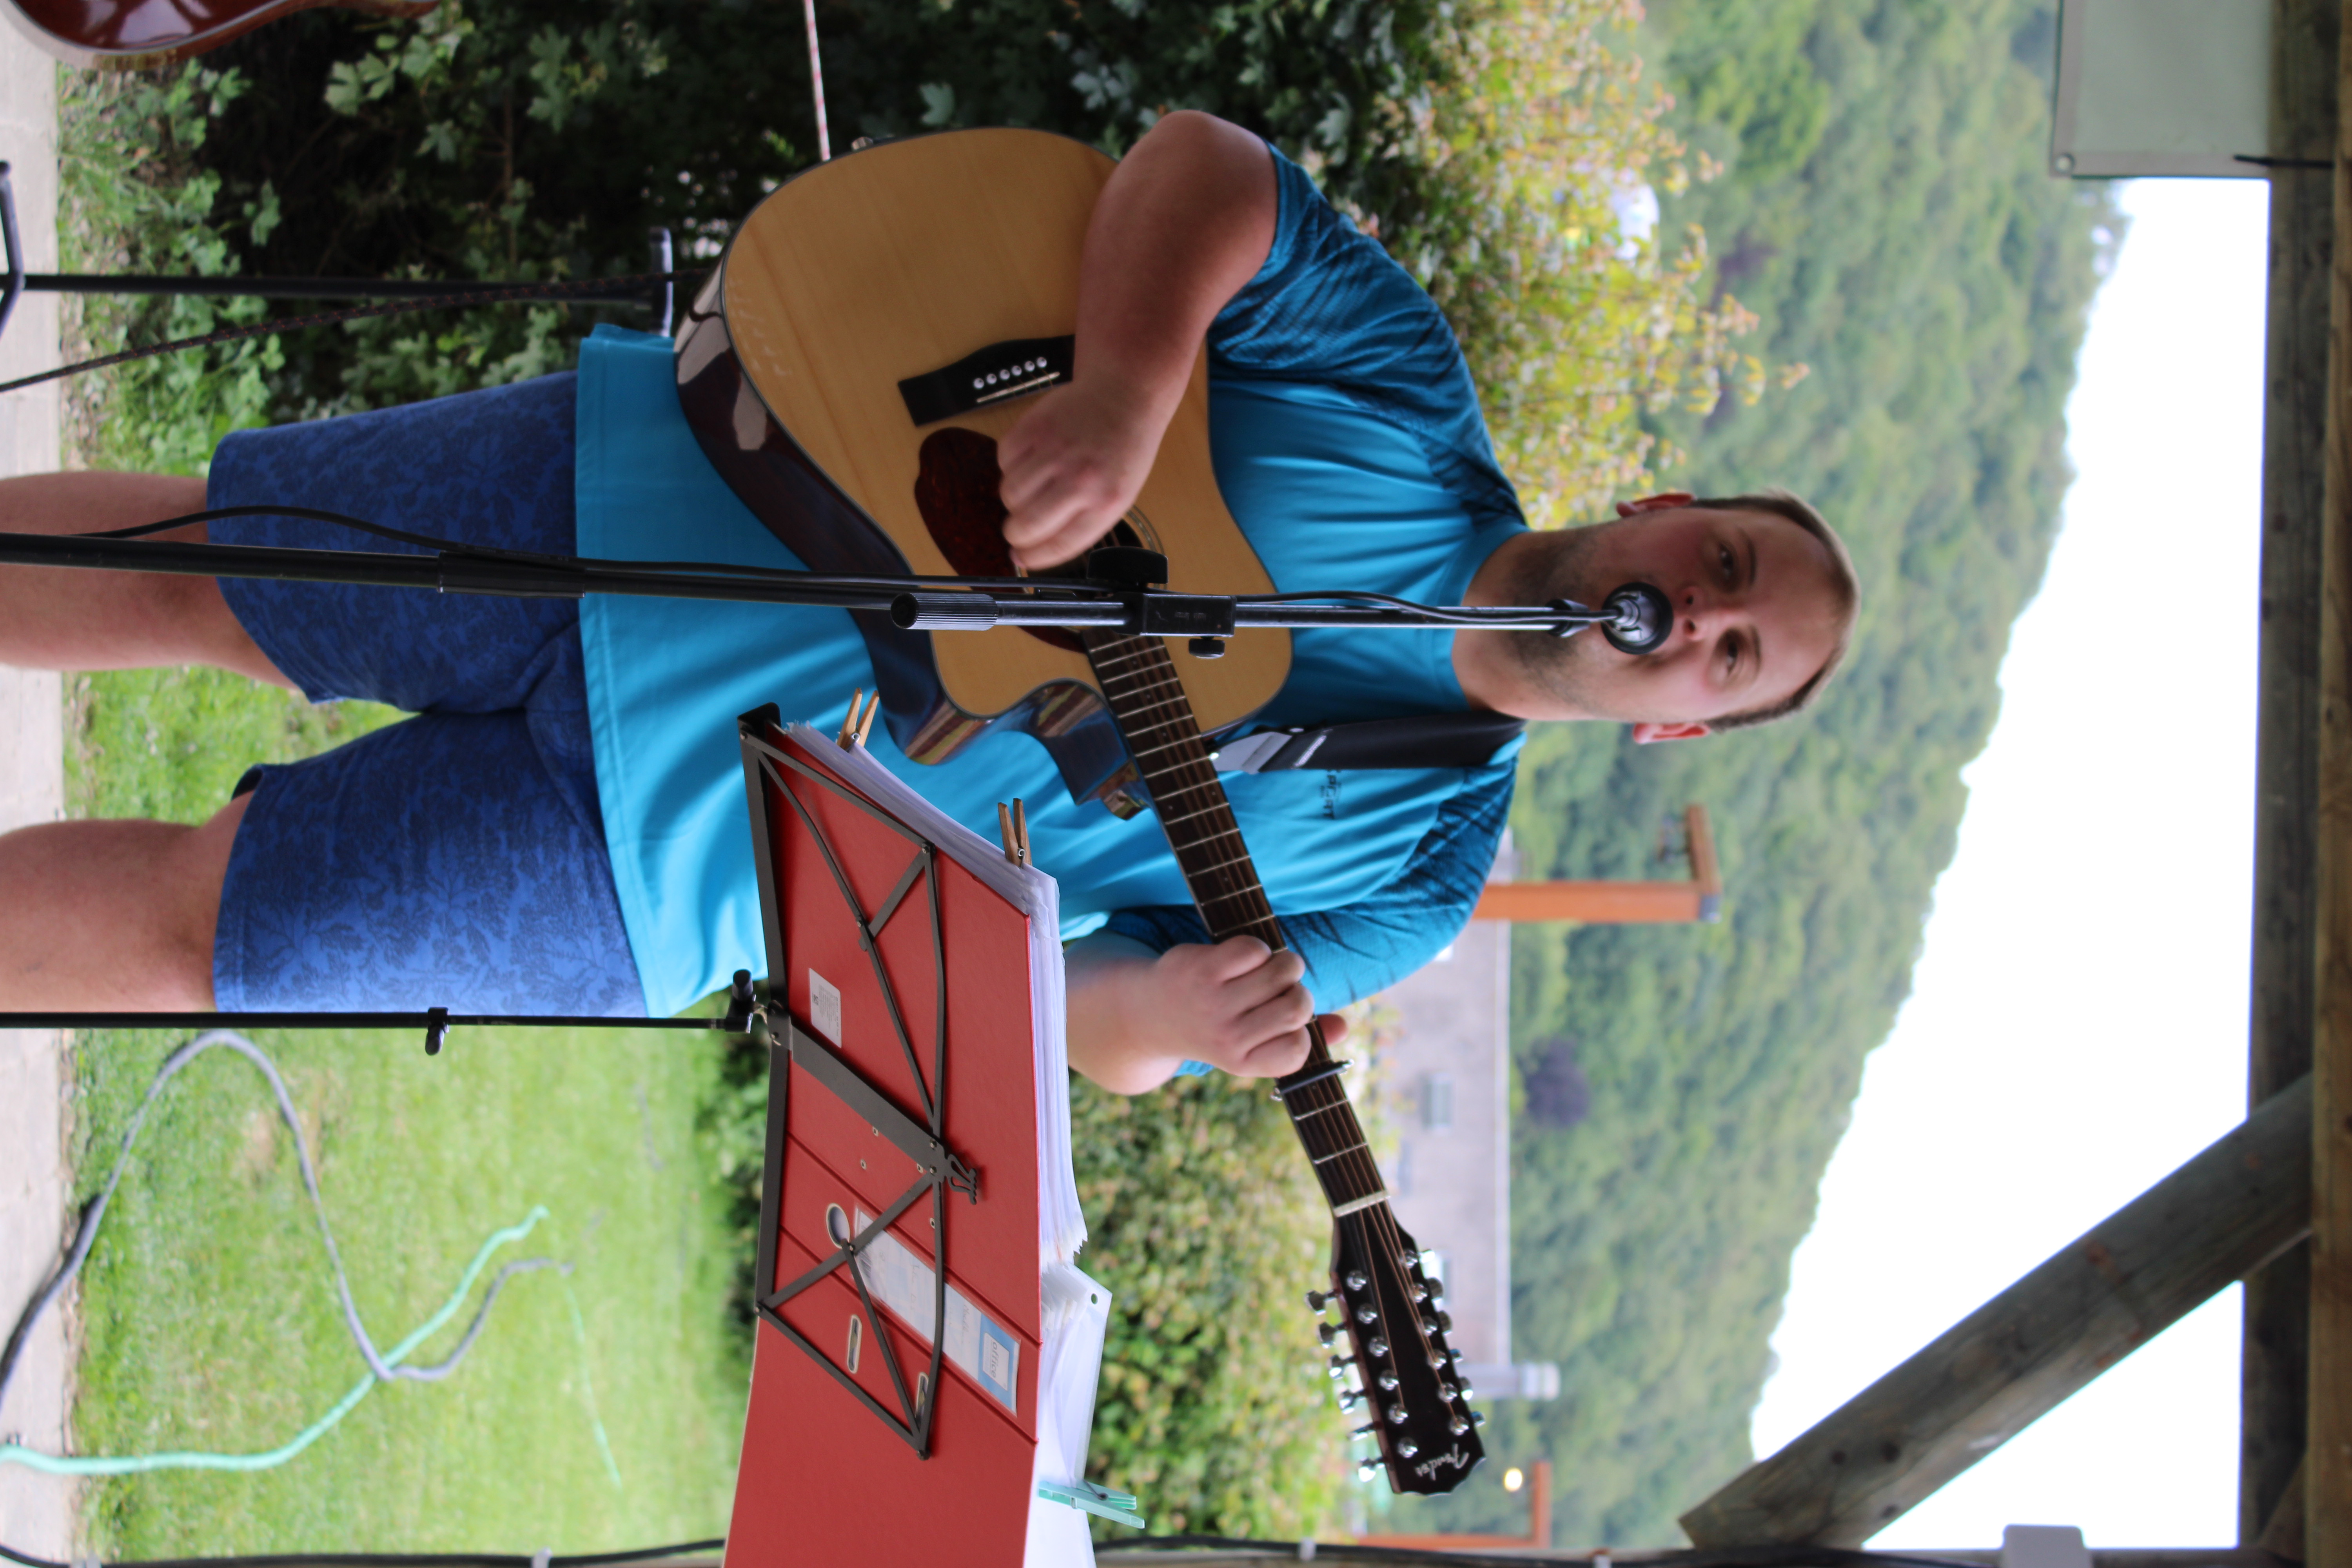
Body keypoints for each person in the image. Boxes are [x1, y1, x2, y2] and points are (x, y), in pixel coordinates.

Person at [0, 111, 1858, 1094]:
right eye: (1722, 567)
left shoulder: (1416, 877)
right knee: (190, 576)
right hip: (674, 478)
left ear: (1684, 718)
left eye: (1732, 651)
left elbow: (1080, 1019)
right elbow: (1205, 171)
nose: (1696, 615)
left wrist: (1184, 1028)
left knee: (206, 935)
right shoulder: (1412, 397)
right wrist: (1129, 401)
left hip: (695, 861)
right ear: (1667, 509)